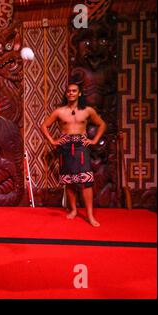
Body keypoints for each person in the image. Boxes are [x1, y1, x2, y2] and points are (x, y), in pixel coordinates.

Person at [41, 83, 106, 227]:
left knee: (86, 181)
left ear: (79, 93)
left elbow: (102, 124)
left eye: (74, 91)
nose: (71, 93)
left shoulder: (88, 111)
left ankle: (89, 215)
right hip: (65, 147)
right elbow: (44, 126)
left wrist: (94, 140)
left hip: (81, 147)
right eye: (69, 91)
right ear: (66, 94)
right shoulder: (59, 111)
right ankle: (74, 210)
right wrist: (53, 141)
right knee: (69, 180)